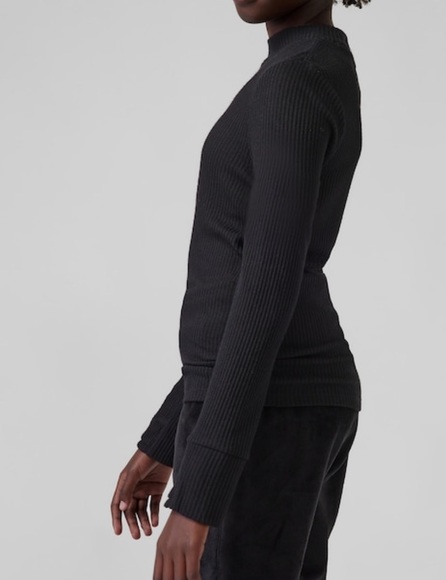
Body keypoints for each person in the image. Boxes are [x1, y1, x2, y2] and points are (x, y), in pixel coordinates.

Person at [110, 0, 371, 578]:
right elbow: (250, 287)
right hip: (282, 403)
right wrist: (167, 436)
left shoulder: (295, 80)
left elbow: (267, 286)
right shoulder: (309, 67)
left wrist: (200, 493)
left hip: (270, 413)